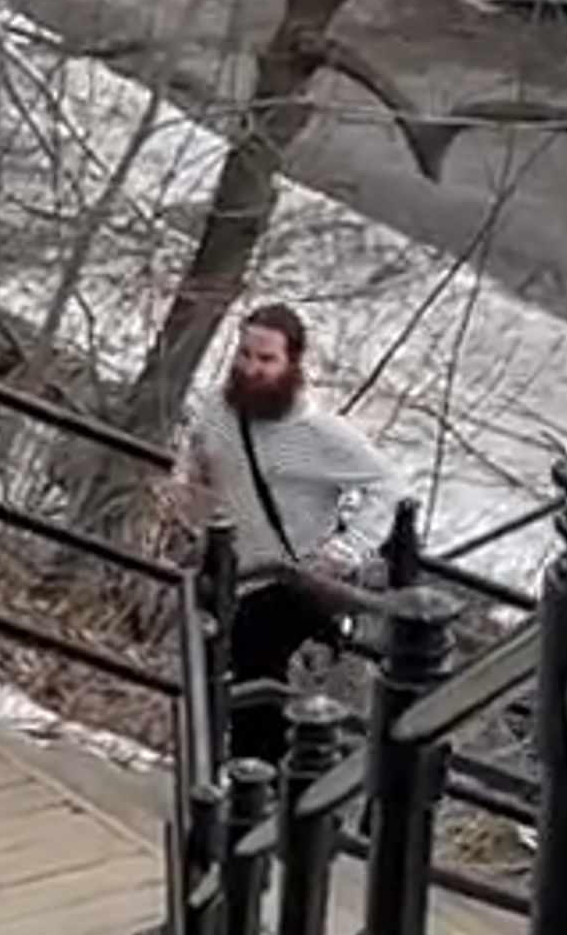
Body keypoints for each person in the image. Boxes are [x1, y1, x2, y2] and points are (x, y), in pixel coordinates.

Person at [165, 300, 396, 760]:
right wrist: (187, 487)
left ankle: (255, 784)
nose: (252, 368)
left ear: (293, 362)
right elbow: (198, 461)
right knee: (210, 680)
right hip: (226, 568)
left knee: (256, 689)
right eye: (245, 354)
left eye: (266, 359)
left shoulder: (319, 432)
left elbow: (386, 485)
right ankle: (215, 772)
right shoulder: (217, 409)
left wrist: (349, 548)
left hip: (286, 579)